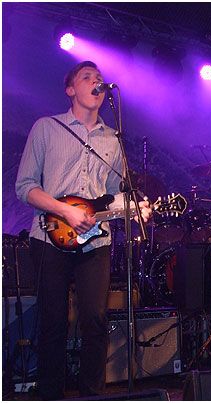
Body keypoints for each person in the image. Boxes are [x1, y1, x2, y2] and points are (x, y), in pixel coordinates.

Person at [15, 61, 152, 399]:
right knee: (54, 322)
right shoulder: (47, 128)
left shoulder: (113, 139)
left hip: (95, 242)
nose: (96, 82)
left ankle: (93, 395)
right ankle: (50, 395)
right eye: (87, 77)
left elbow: (114, 194)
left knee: (95, 319)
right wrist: (65, 210)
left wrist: (135, 208)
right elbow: (25, 186)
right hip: (50, 237)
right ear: (70, 89)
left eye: (100, 78)